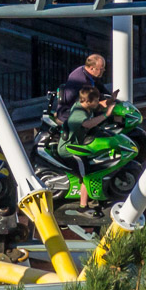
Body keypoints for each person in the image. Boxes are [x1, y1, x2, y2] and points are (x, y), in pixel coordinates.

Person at [57, 86, 116, 217]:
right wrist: (107, 114)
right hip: (70, 149)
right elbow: (88, 124)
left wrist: (110, 101)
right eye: (95, 100)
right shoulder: (79, 114)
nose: (98, 102)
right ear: (88, 101)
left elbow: (98, 105)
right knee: (87, 175)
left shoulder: (82, 105)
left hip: (77, 146)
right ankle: (83, 207)